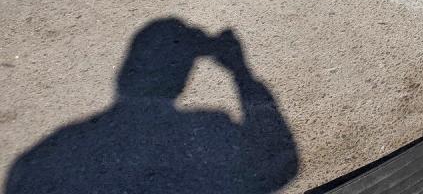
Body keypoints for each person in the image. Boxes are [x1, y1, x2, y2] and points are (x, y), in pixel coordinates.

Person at [5, 18, 298, 194]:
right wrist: (240, 72)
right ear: (181, 80)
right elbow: (281, 163)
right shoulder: (208, 133)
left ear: (124, 75)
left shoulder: (44, 157)